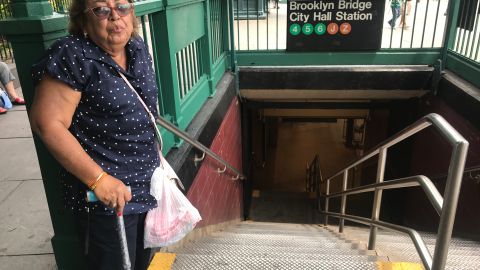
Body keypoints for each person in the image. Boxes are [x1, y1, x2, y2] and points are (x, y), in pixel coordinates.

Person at [29, 0, 161, 269]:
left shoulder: (136, 47)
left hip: (146, 189)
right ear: (82, 19)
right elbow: (47, 123)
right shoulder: (73, 55)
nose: (115, 17)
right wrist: (98, 180)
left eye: (122, 7)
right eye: (101, 10)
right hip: (108, 201)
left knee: (140, 264)